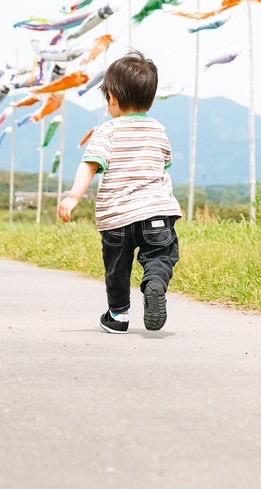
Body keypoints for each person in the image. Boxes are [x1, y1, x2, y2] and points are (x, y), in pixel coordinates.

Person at [58, 50, 181, 333]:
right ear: (150, 99)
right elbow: (165, 162)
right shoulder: (158, 130)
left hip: (117, 217)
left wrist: (74, 196)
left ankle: (118, 316)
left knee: (117, 267)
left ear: (112, 98)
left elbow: (89, 166)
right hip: (156, 212)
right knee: (161, 254)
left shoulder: (107, 132)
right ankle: (155, 283)